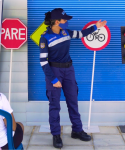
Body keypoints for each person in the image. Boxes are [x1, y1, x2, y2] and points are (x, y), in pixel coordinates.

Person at [39, 8, 107, 148]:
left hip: (69, 70)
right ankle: (56, 135)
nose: (67, 22)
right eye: (65, 20)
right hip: (54, 71)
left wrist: (96, 27)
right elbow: (43, 62)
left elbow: (82, 34)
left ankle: (77, 130)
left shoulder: (66, 33)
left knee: (73, 102)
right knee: (54, 105)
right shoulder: (44, 37)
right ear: (57, 22)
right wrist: (53, 79)